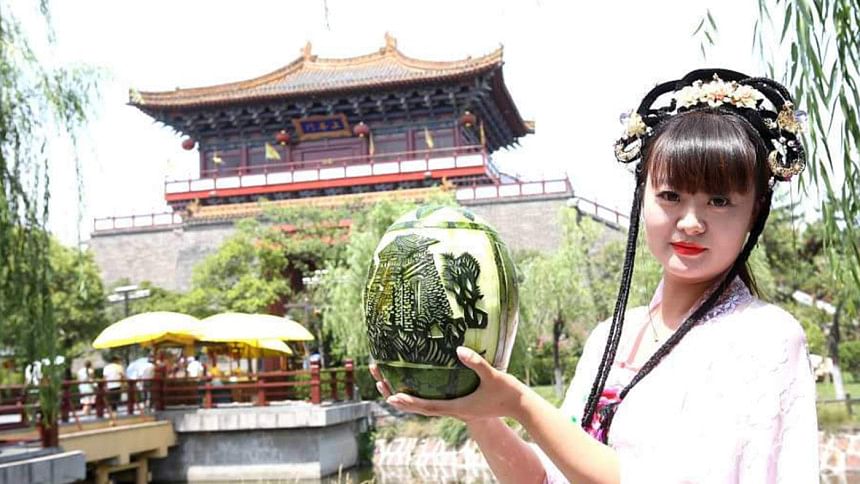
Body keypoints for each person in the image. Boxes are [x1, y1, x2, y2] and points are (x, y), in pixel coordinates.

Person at [370, 69, 819, 483]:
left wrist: (521, 403)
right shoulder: (611, 338)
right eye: (670, 196)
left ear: (755, 210)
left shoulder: (764, 338)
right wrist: (476, 408)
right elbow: (544, 479)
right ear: (642, 196)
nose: (690, 222)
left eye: (719, 201)